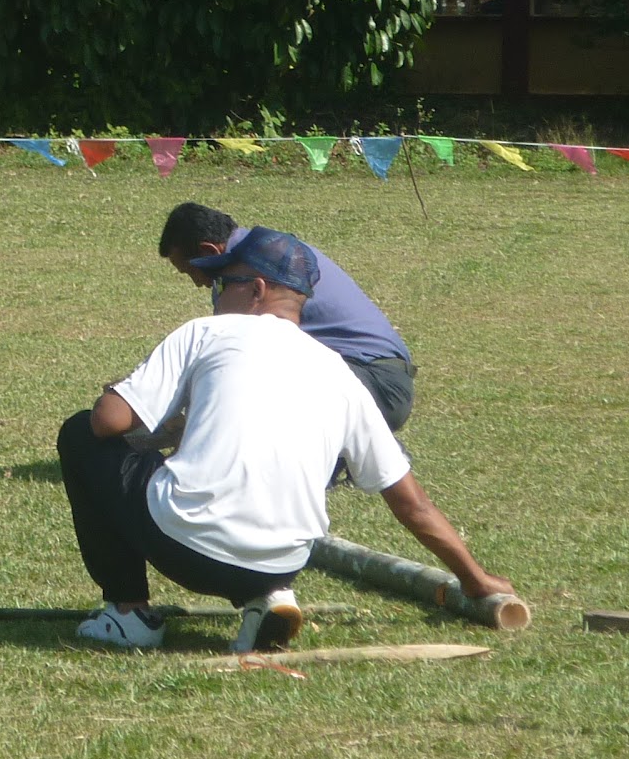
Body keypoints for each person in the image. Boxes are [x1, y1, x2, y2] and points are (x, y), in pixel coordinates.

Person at [57, 226, 515, 651]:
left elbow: (107, 422)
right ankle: (266, 600)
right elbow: (411, 504)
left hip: (186, 547)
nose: (215, 297)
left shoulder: (206, 332)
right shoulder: (340, 373)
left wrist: (128, 392)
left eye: (224, 284)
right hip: (283, 561)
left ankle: (128, 613)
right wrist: (473, 579)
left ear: (256, 290)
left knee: (79, 433)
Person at [159, 202, 417, 433]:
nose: (196, 283)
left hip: (377, 386)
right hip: (379, 379)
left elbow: (231, 355)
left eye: (190, 271)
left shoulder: (250, 270)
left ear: (210, 251)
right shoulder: (266, 248)